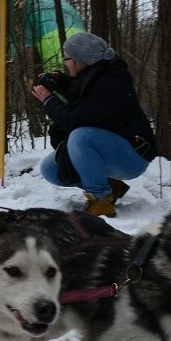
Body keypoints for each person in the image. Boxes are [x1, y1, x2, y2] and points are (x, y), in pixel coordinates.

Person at [31, 32, 157, 218]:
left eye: (67, 58)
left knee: (81, 137)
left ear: (79, 61)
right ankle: (111, 187)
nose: (65, 63)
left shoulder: (110, 83)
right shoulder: (99, 75)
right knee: (51, 169)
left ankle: (101, 200)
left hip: (133, 156)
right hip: (116, 150)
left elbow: (75, 119)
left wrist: (49, 100)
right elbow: (81, 93)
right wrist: (58, 82)